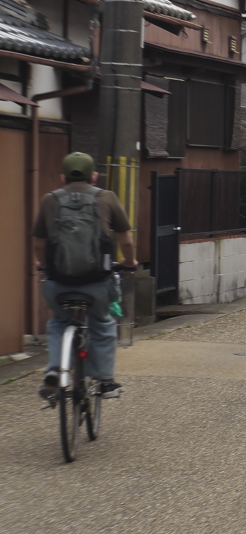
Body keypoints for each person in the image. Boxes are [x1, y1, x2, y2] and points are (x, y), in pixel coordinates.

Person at [32, 152, 137, 400]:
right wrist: (129, 262)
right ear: (94, 176)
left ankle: (56, 372)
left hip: (59, 283)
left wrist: (44, 266)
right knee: (102, 324)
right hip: (97, 283)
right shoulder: (106, 197)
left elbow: (38, 242)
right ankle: (105, 382)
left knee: (59, 322)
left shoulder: (50, 200)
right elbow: (126, 239)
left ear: (62, 177)